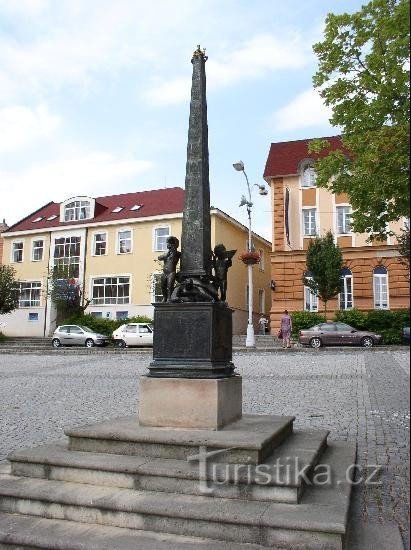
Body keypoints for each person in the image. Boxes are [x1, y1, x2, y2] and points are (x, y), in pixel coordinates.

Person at [158, 236, 181, 302]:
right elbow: (159, 258)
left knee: (170, 286)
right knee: (163, 286)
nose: (168, 245)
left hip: (171, 272)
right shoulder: (166, 254)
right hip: (164, 272)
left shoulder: (177, 253)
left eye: (169, 244)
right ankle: (164, 297)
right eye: (168, 244)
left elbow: (184, 257)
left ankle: (169, 298)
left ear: (174, 245)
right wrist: (166, 255)